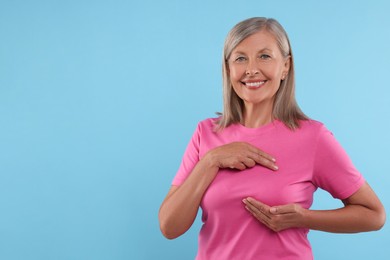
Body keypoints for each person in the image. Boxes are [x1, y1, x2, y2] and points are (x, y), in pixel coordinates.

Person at [158, 17, 386, 259]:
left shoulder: (313, 137)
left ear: (285, 66)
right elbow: (169, 227)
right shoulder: (205, 133)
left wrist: (304, 218)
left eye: (264, 56)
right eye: (240, 58)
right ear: (228, 69)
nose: (251, 69)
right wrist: (211, 161)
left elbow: (374, 214)